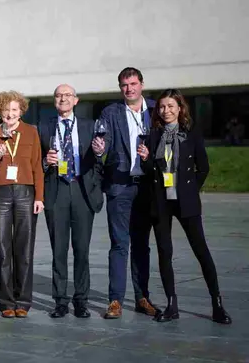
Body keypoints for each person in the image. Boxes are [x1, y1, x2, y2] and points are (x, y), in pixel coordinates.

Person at [139, 89, 232, 324]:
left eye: (171, 106)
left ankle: (217, 304)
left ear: (180, 108)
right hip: (161, 201)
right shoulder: (153, 135)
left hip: (186, 201)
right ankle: (172, 304)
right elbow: (150, 171)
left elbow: (204, 167)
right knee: (164, 253)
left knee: (201, 250)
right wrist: (146, 159)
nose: (166, 111)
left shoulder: (191, 134)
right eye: (161, 107)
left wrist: (190, 190)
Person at [93, 67, 159, 319]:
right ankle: (115, 300)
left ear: (141, 84)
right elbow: (104, 142)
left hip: (147, 187)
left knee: (142, 245)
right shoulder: (111, 112)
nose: (128, 89)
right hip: (120, 186)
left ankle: (142, 297)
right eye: (124, 85)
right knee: (119, 244)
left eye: (132, 84)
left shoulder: (155, 111)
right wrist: (100, 150)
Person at [37, 85, 104, 319]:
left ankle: (81, 301)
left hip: (82, 190)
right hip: (56, 191)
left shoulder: (89, 125)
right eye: (58, 95)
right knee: (58, 250)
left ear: (76, 100)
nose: (63, 98)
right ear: (54, 101)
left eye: (67, 95)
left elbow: (99, 160)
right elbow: (37, 163)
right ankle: (60, 301)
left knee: (82, 250)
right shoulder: (44, 127)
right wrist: (46, 161)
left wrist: (99, 156)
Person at [0, 91, 44, 318]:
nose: (10, 114)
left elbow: (37, 165)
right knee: (2, 248)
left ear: (21, 111)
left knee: (24, 248)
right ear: (0, 111)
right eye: (6, 110)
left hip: (25, 192)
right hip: (0, 192)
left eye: (14, 110)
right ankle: (5, 301)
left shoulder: (31, 132)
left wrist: (39, 197)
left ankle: (23, 301)